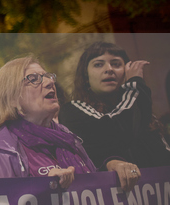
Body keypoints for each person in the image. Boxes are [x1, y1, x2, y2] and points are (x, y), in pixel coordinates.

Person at [0, 56, 139, 191]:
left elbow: (90, 190)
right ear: (11, 98)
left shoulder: (66, 136)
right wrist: (44, 189)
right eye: (33, 79)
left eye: (48, 76)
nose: (49, 82)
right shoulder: (0, 149)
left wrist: (112, 168)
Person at [59, 42, 170, 173]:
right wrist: (134, 87)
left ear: (127, 71)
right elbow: (117, 134)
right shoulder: (72, 110)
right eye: (98, 64)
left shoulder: (144, 114)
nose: (109, 69)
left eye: (116, 64)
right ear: (86, 77)